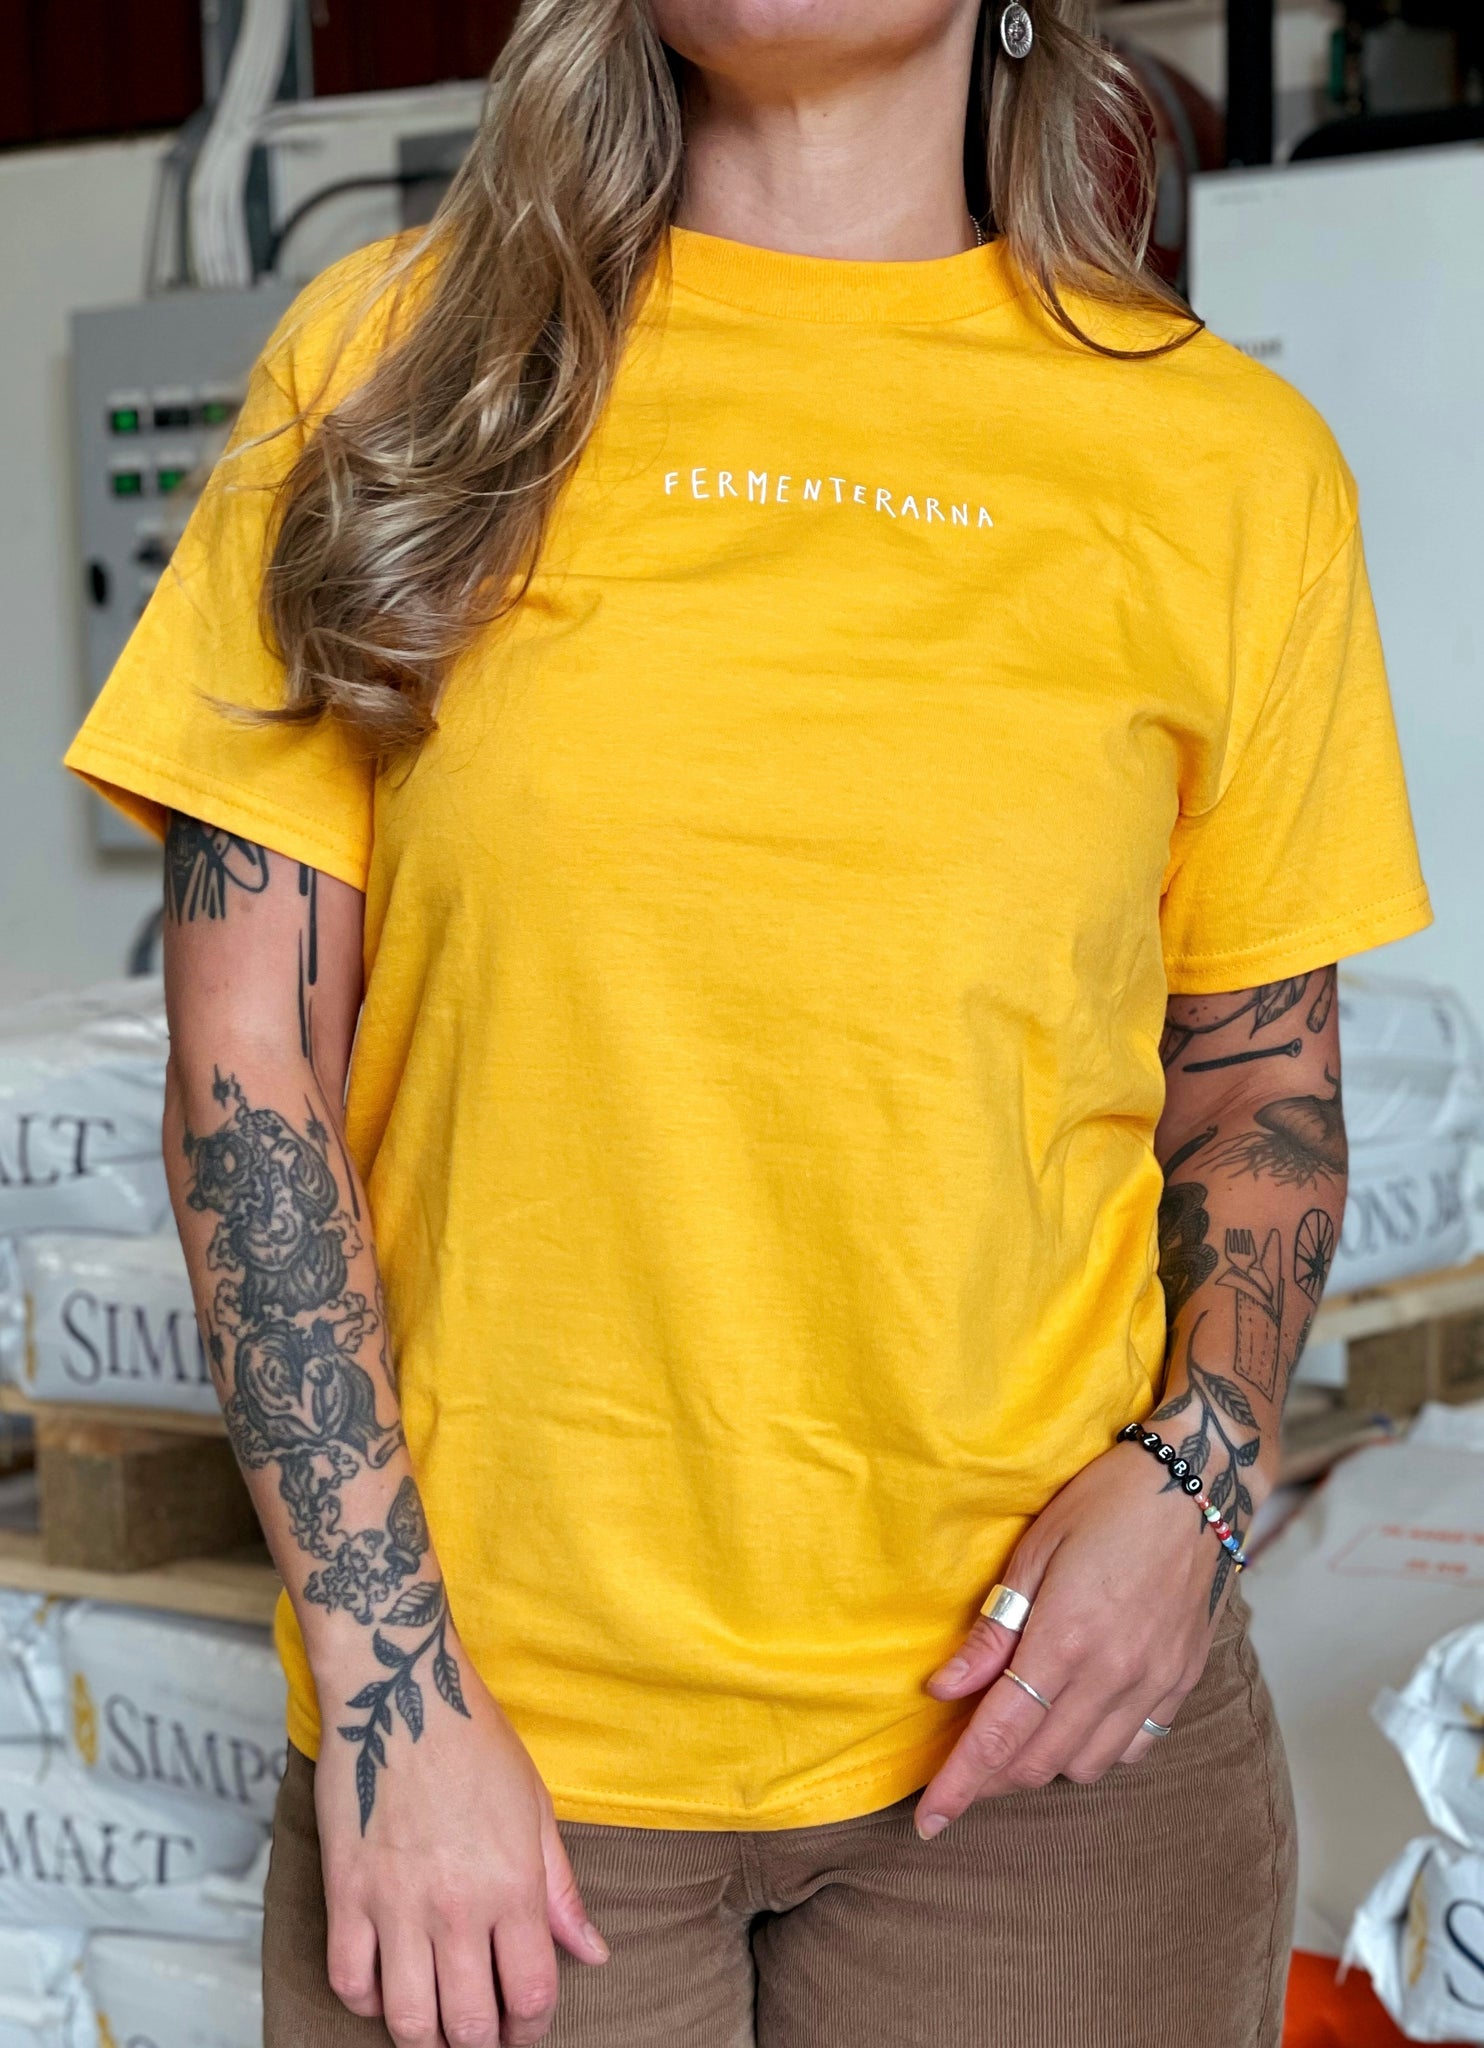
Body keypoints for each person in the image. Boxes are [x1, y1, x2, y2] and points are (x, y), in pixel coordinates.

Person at [65, 0, 1430, 2041]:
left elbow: (1259, 1087)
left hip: (1050, 1758)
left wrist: (1198, 1486)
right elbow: (249, 1060)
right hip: (500, 1762)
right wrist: (387, 1686)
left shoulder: (1223, 463)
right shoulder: (387, 368)